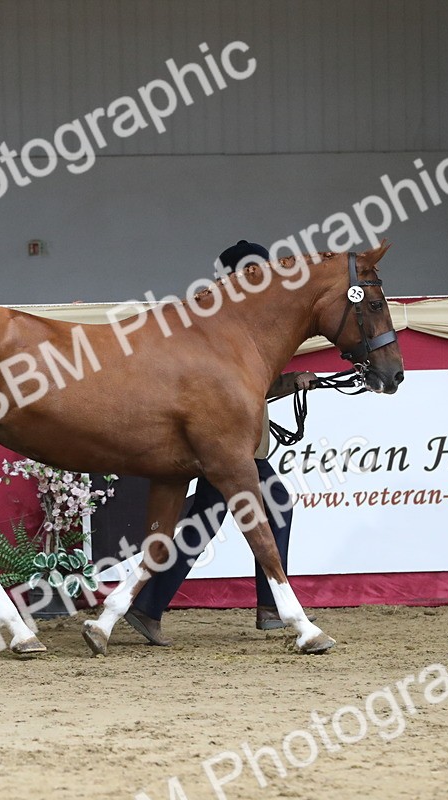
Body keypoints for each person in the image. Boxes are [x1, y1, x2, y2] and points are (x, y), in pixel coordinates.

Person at [124, 240, 316, 646]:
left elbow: (244, 391)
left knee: (204, 523)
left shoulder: (238, 322)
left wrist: (288, 383)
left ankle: (148, 606)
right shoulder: (218, 323)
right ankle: (271, 608)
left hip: (230, 446)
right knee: (275, 504)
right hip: (224, 447)